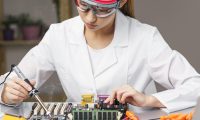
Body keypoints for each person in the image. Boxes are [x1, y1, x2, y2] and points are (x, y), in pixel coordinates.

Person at [0, 0, 200, 113]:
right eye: (83, 6)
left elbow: (194, 85)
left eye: (102, 10)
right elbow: (12, 81)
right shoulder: (59, 34)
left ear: (120, 2)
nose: (90, 18)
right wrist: (6, 93)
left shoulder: (145, 37)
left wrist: (149, 99)